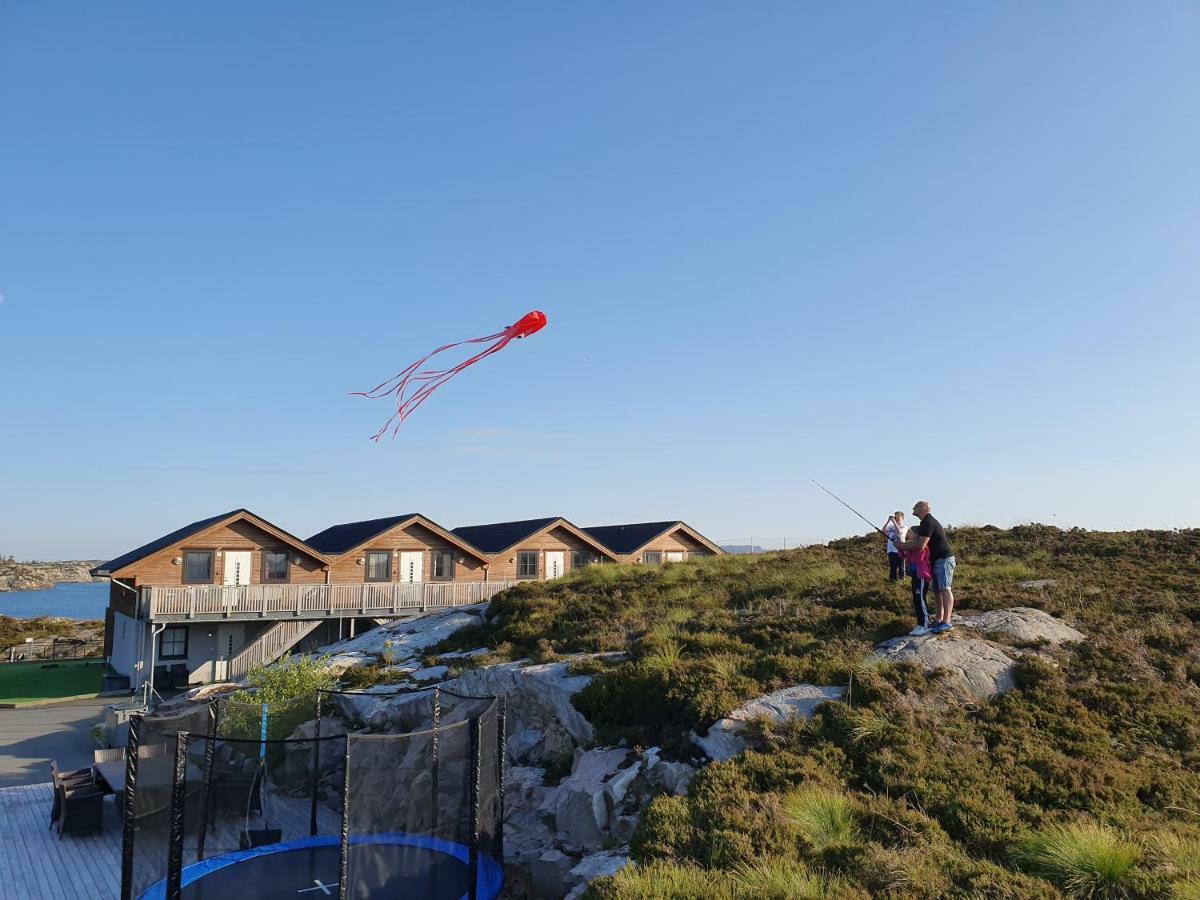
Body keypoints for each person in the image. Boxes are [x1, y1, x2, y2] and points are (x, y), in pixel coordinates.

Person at [894, 500, 956, 633]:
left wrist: (901, 546)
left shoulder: (929, 521)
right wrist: (902, 546)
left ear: (923, 508)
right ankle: (939, 620)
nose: (913, 509)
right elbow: (917, 543)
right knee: (937, 591)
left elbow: (920, 545)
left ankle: (947, 622)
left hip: (943, 559)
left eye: (915, 507)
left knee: (945, 588)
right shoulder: (924, 523)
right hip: (934, 560)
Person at [900, 523, 931, 635]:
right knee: (916, 599)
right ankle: (920, 624)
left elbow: (917, 559)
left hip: (921, 576)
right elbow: (903, 556)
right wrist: (900, 548)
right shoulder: (912, 546)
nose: (908, 534)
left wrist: (907, 550)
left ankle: (926, 624)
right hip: (915, 576)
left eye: (910, 532)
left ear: (916, 535)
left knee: (920, 598)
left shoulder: (922, 546)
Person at [882, 511, 906, 582]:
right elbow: (883, 531)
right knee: (893, 567)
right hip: (891, 550)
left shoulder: (904, 527)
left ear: (902, 518)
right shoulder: (891, 527)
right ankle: (892, 582)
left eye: (898, 517)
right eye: (895, 517)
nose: (896, 519)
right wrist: (888, 521)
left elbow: (899, 532)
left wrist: (894, 522)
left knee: (901, 567)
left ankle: (902, 581)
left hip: (899, 550)